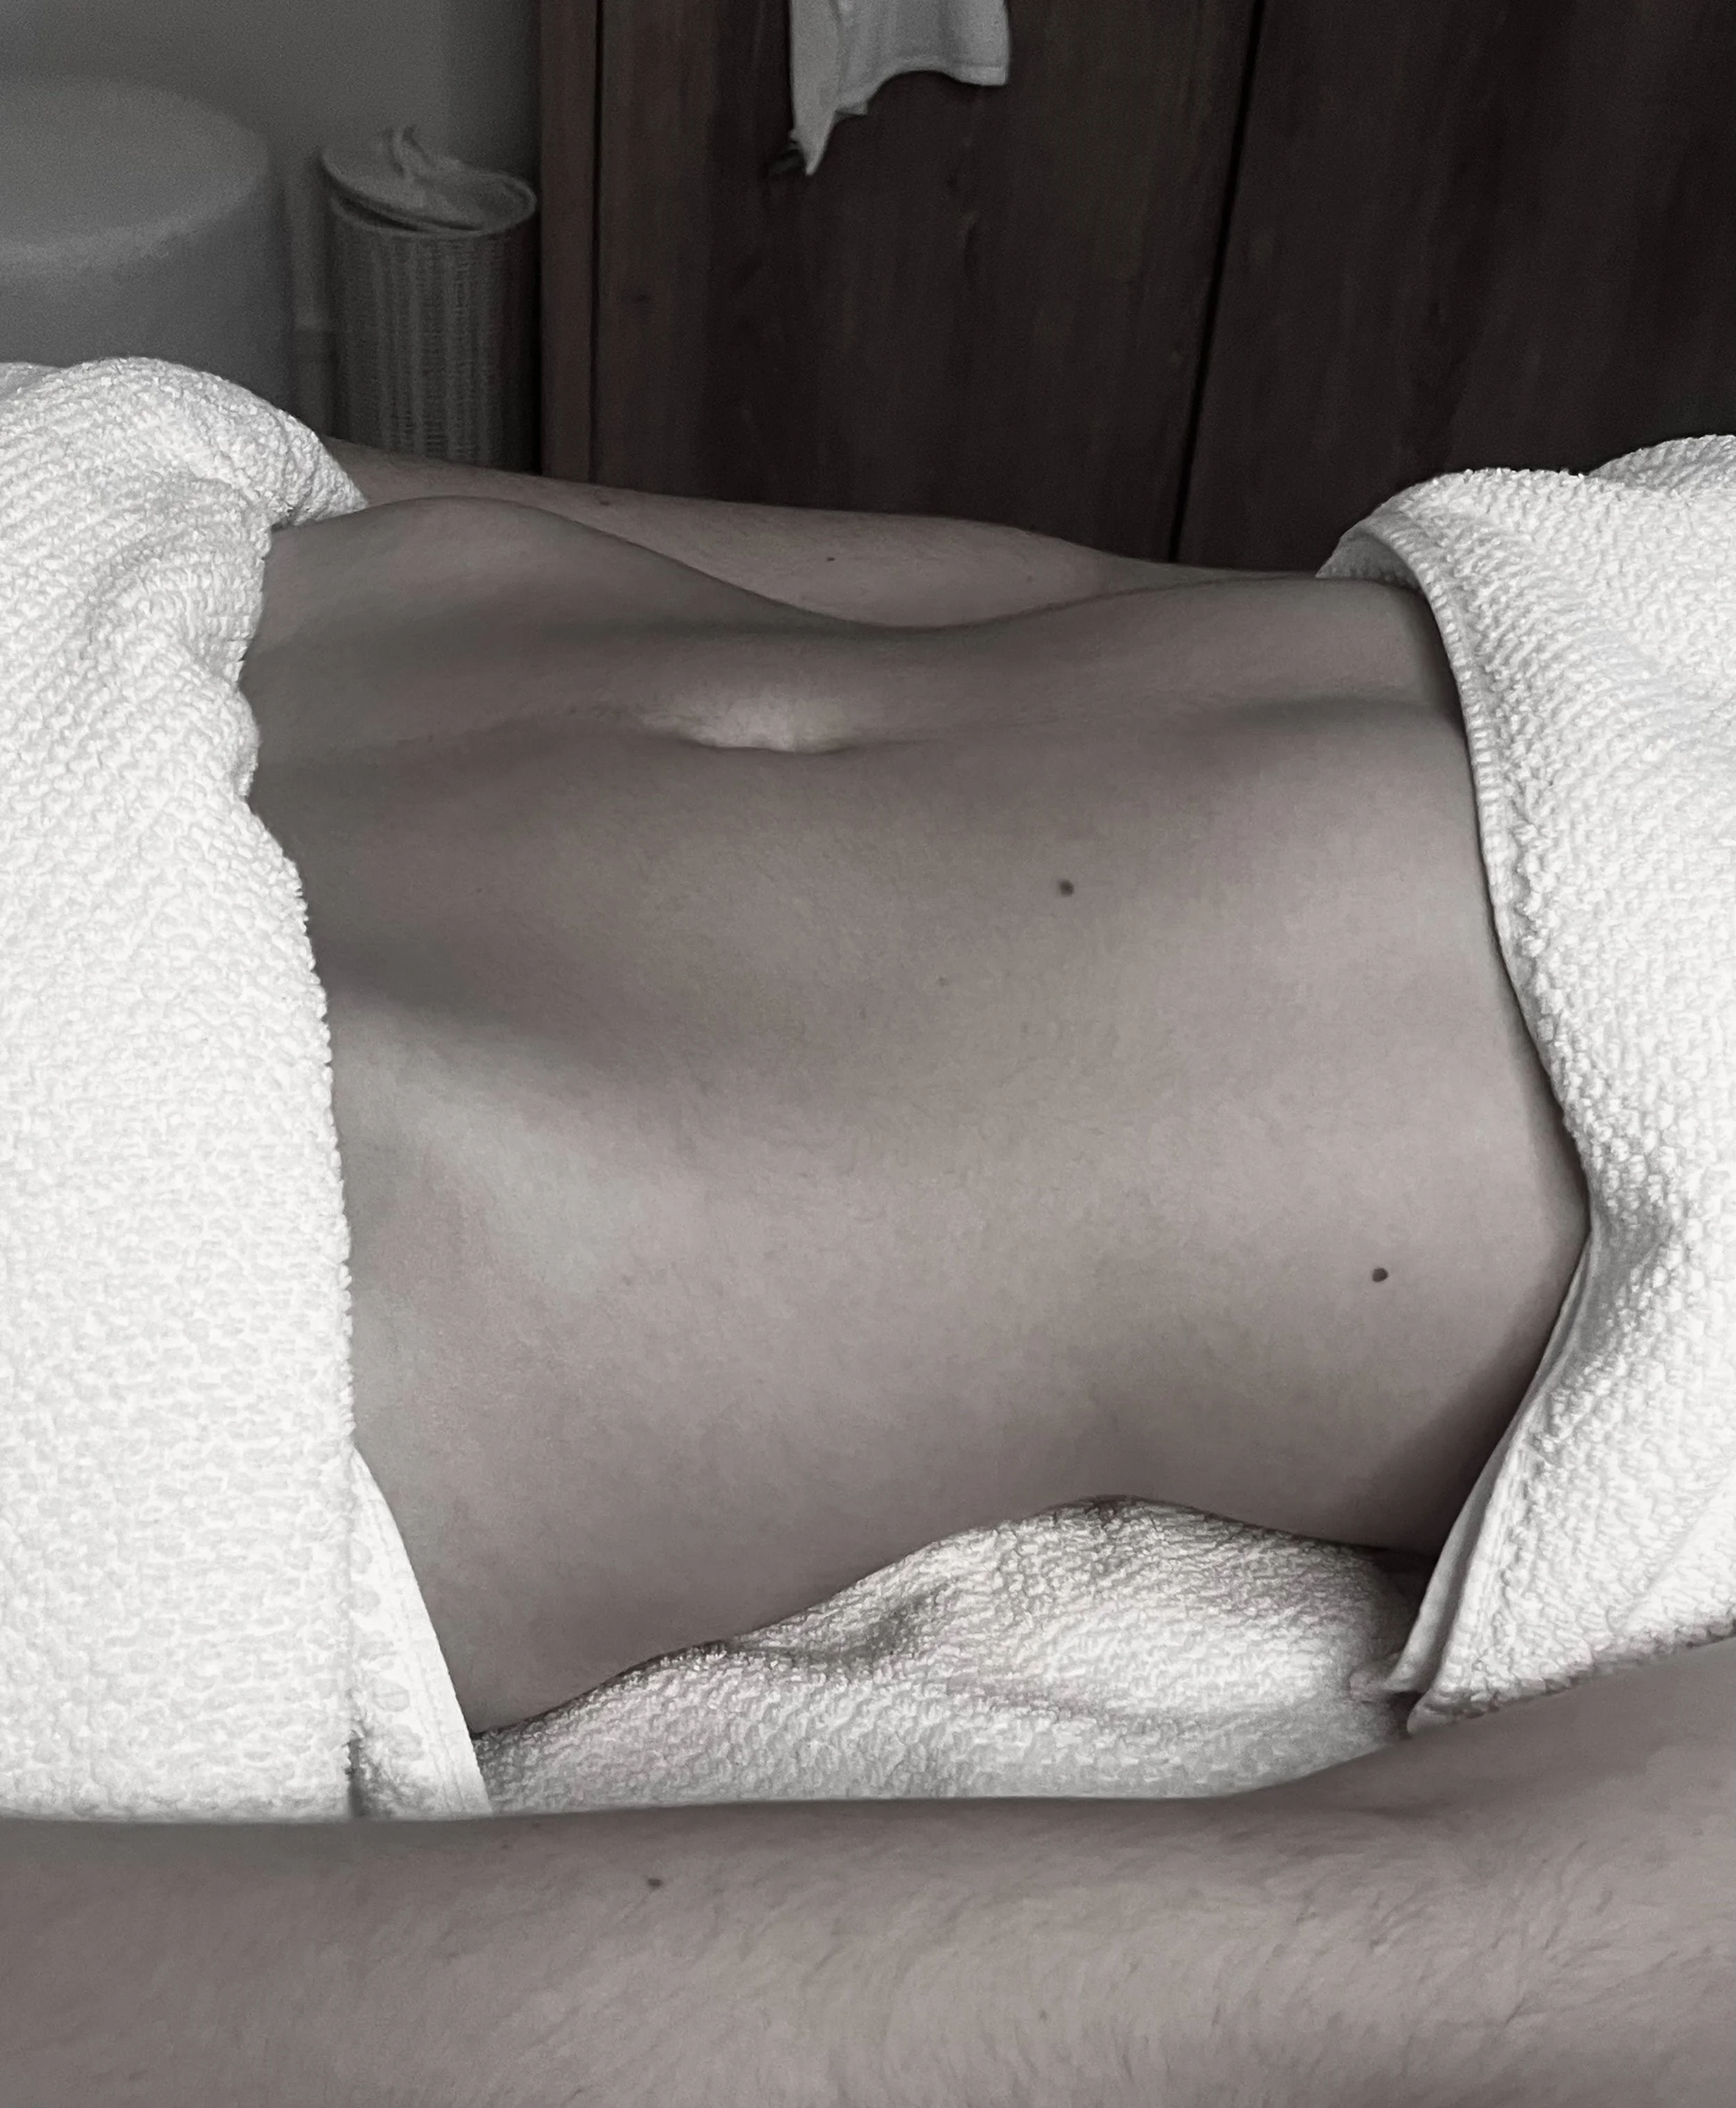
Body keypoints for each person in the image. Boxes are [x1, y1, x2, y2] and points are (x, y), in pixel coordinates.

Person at [9, 441, 1726, 2108]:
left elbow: (1524, 1941)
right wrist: (307, 478)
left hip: (185, 1257)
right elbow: (1098, 603)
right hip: (130, 568)